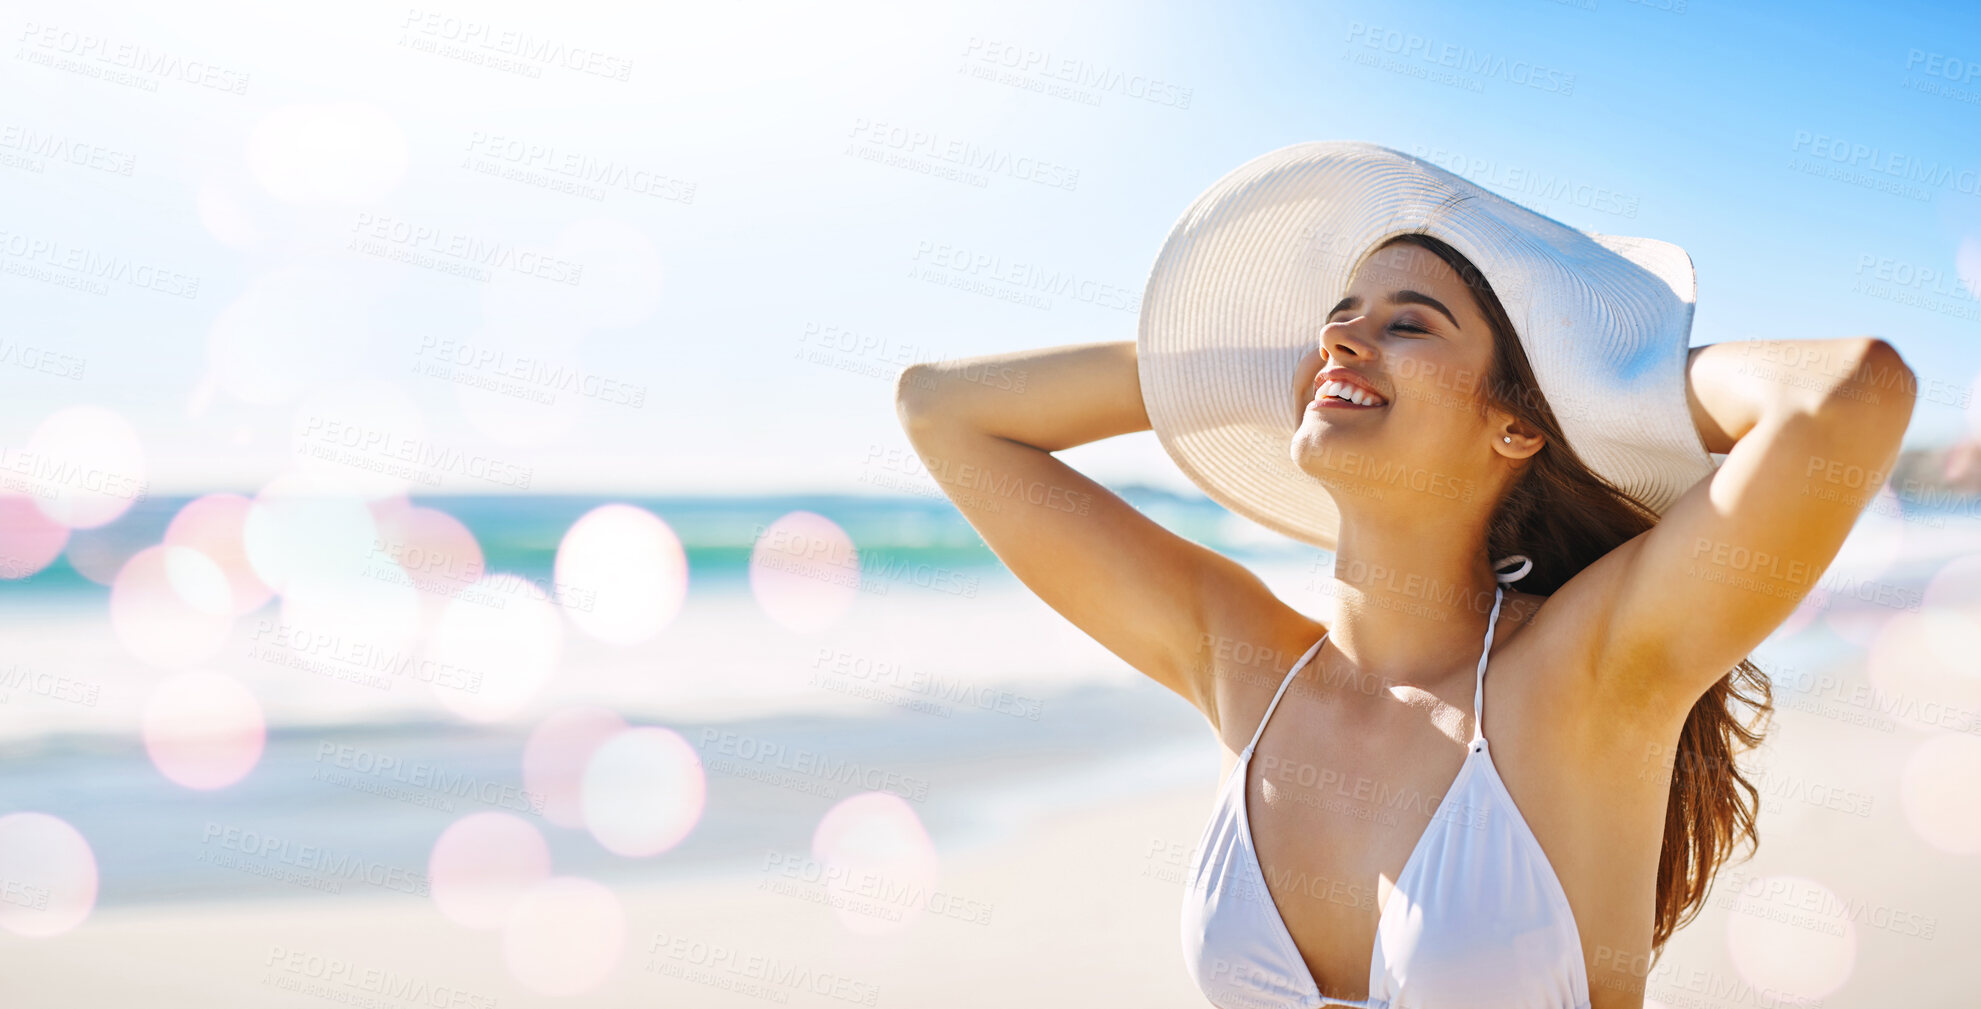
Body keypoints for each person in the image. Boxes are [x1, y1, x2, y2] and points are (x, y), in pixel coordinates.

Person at [893, 144, 1915, 1007]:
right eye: (1340, 314)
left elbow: (1850, 393)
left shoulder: (1584, 677)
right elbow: (944, 411)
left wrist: (1602, 391)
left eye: (1408, 321)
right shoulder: (1246, 665)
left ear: (1520, 420)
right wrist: (1282, 369)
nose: (1344, 331)